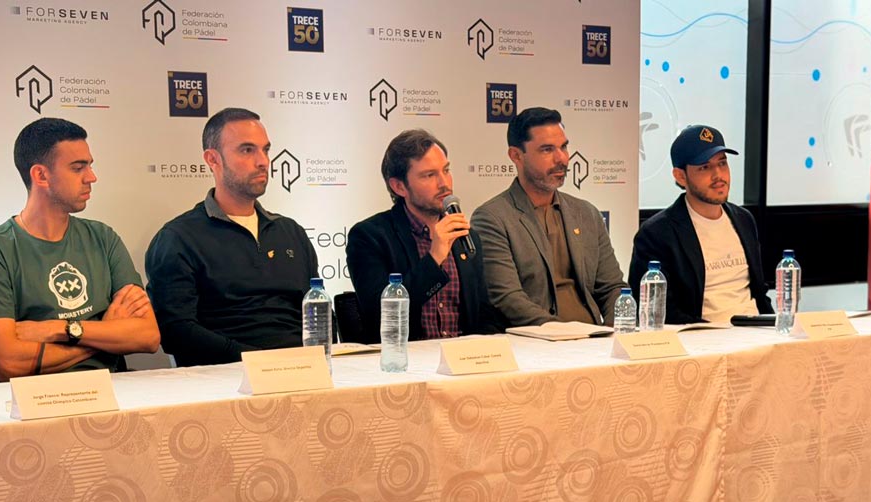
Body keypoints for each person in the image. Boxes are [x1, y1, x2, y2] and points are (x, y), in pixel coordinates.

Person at [0, 118, 159, 380]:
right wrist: (104, 333)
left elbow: (148, 336)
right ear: (41, 175)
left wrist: (58, 329)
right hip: (33, 399)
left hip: (109, 391)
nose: (91, 177)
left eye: (90, 165)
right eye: (78, 168)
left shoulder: (103, 238)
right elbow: (9, 362)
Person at [145, 107, 318, 366]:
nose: (263, 161)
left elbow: (317, 312)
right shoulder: (178, 239)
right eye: (247, 150)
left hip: (305, 369)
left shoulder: (290, 232)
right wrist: (258, 362)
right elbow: (176, 331)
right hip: (227, 375)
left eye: (265, 150)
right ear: (213, 159)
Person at [471, 107, 625, 327]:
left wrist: (614, 331)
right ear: (516, 155)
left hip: (595, 339)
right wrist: (564, 334)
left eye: (564, 147)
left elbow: (612, 287)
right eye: (547, 150)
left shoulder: (586, 213)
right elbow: (508, 299)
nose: (561, 158)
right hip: (534, 342)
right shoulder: (492, 218)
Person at [346, 129, 504, 341]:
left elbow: (483, 313)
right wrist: (434, 258)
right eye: (429, 175)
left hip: (462, 356)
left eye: (446, 170)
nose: (444, 183)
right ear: (399, 186)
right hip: (407, 357)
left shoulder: (466, 237)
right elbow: (380, 314)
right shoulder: (370, 237)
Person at [628, 125, 773, 324]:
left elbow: (759, 293)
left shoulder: (744, 219)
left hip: (757, 332)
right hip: (703, 336)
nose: (718, 175)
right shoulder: (658, 233)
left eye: (722, 163)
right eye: (705, 167)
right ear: (680, 176)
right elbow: (660, 312)